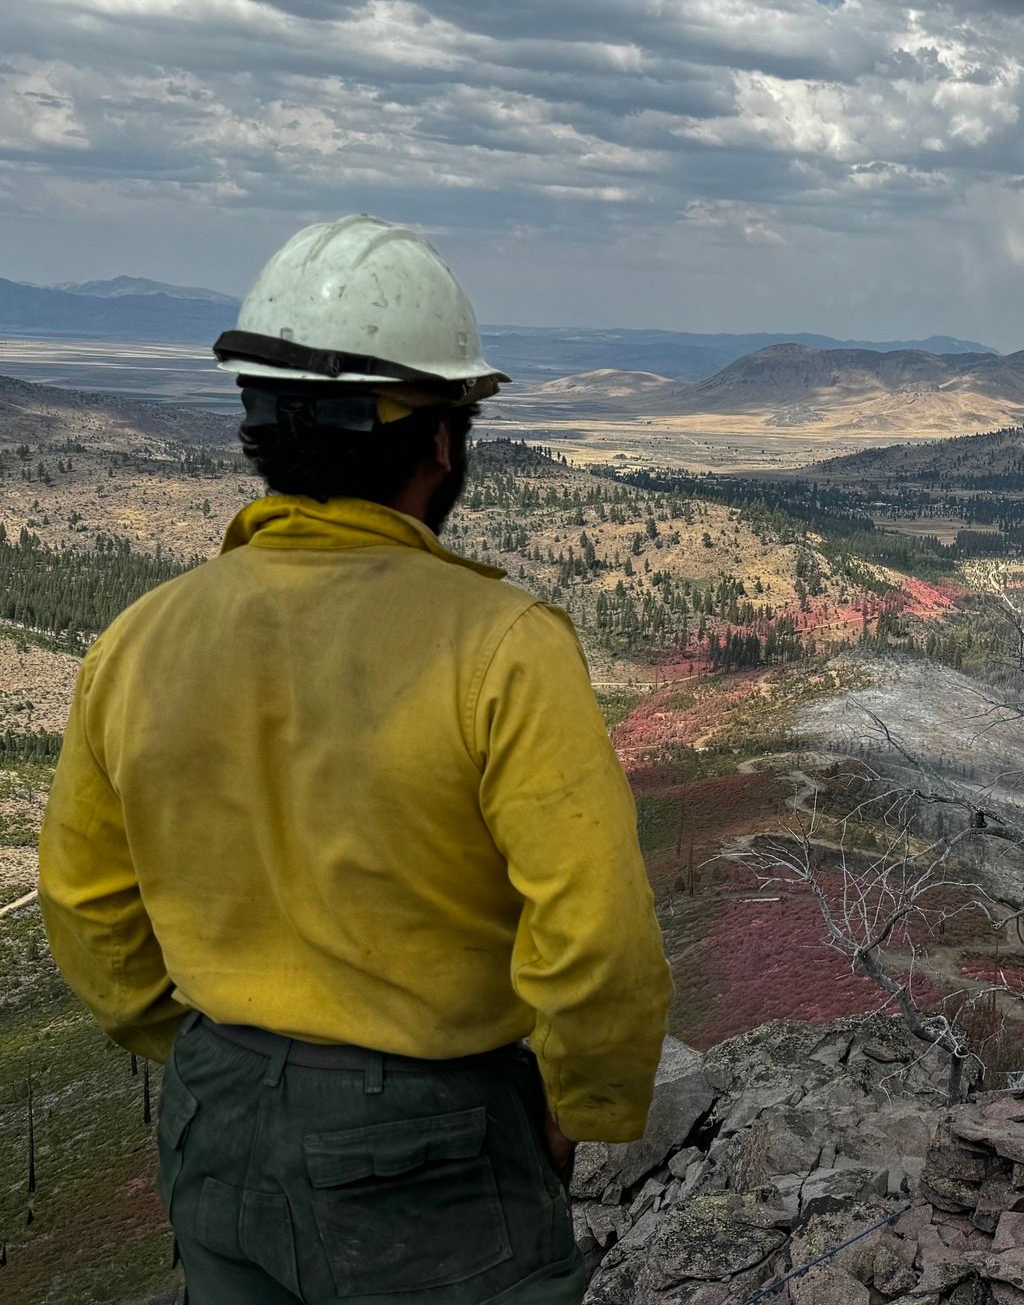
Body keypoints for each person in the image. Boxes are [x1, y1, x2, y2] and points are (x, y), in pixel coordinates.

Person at [39, 214, 673, 1303]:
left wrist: (201, 1049)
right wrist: (583, 1108)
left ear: (259, 430)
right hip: (430, 1136)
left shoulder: (139, 638)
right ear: (437, 442)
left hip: (213, 1114)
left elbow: (86, 902)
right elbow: (595, 933)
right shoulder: (500, 643)